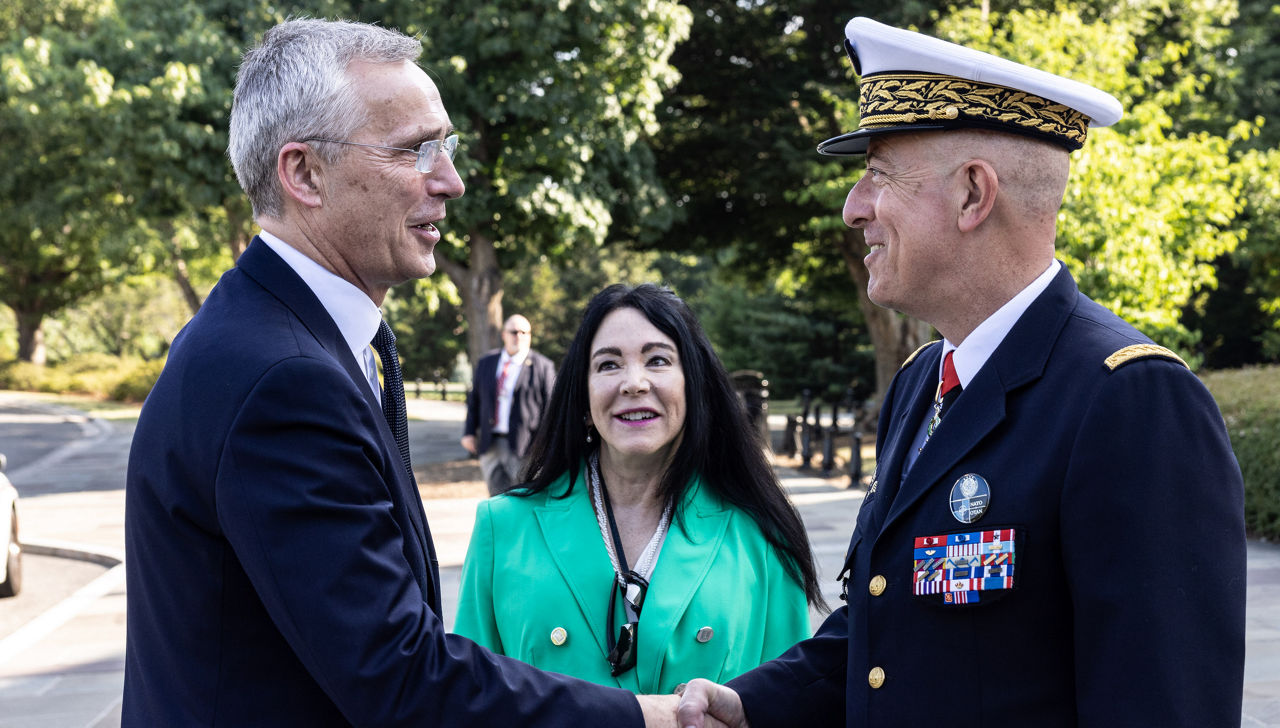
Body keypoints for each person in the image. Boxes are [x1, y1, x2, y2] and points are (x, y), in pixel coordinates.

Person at [678, 16, 1246, 728]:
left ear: (974, 195)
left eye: (877, 175)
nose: (854, 208)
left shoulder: (1131, 398)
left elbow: (1165, 704)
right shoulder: (924, 382)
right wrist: (750, 703)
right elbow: (887, 626)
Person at [122, 18, 678, 726]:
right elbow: (399, 677)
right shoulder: (282, 378)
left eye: (445, 148)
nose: (450, 180)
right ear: (303, 173)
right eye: (415, 151)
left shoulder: (284, 337)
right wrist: (645, 718)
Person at [453, 283, 821, 694]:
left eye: (658, 360)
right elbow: (467, 699)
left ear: (693, 386)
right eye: (608, 365)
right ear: (583, 396)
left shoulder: (761, 535)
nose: (634, 383)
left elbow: (793, 702)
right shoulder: (502, 527)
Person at [462, 314, 556, 495]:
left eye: (524, 332)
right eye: (514, 332)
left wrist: (544, 445)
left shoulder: (543, 367)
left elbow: (551, 409)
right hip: (490, 444)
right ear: (504, 335)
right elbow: (475, 401)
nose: (518, 336)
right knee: (496, 499)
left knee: (523, 497)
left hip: (525, 446)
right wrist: (469, 433)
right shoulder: (487, 362)